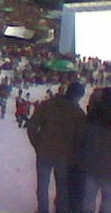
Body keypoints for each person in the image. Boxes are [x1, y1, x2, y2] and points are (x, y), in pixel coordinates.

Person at [27, 82, 86, 213]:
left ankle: (42, 210)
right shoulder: (78, 114)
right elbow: (80, 138)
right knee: (62, 187)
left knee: (42, 186)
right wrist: (74, 153)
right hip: (64, 156)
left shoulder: (48, 105)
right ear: (79, 96)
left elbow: (32, 125)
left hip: (44, 152)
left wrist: (37, 144)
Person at [81, 87, 111, 213]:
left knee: (89, 199)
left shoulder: (93, 117)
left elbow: (84, 140)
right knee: (108, 201)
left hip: (92, 165)